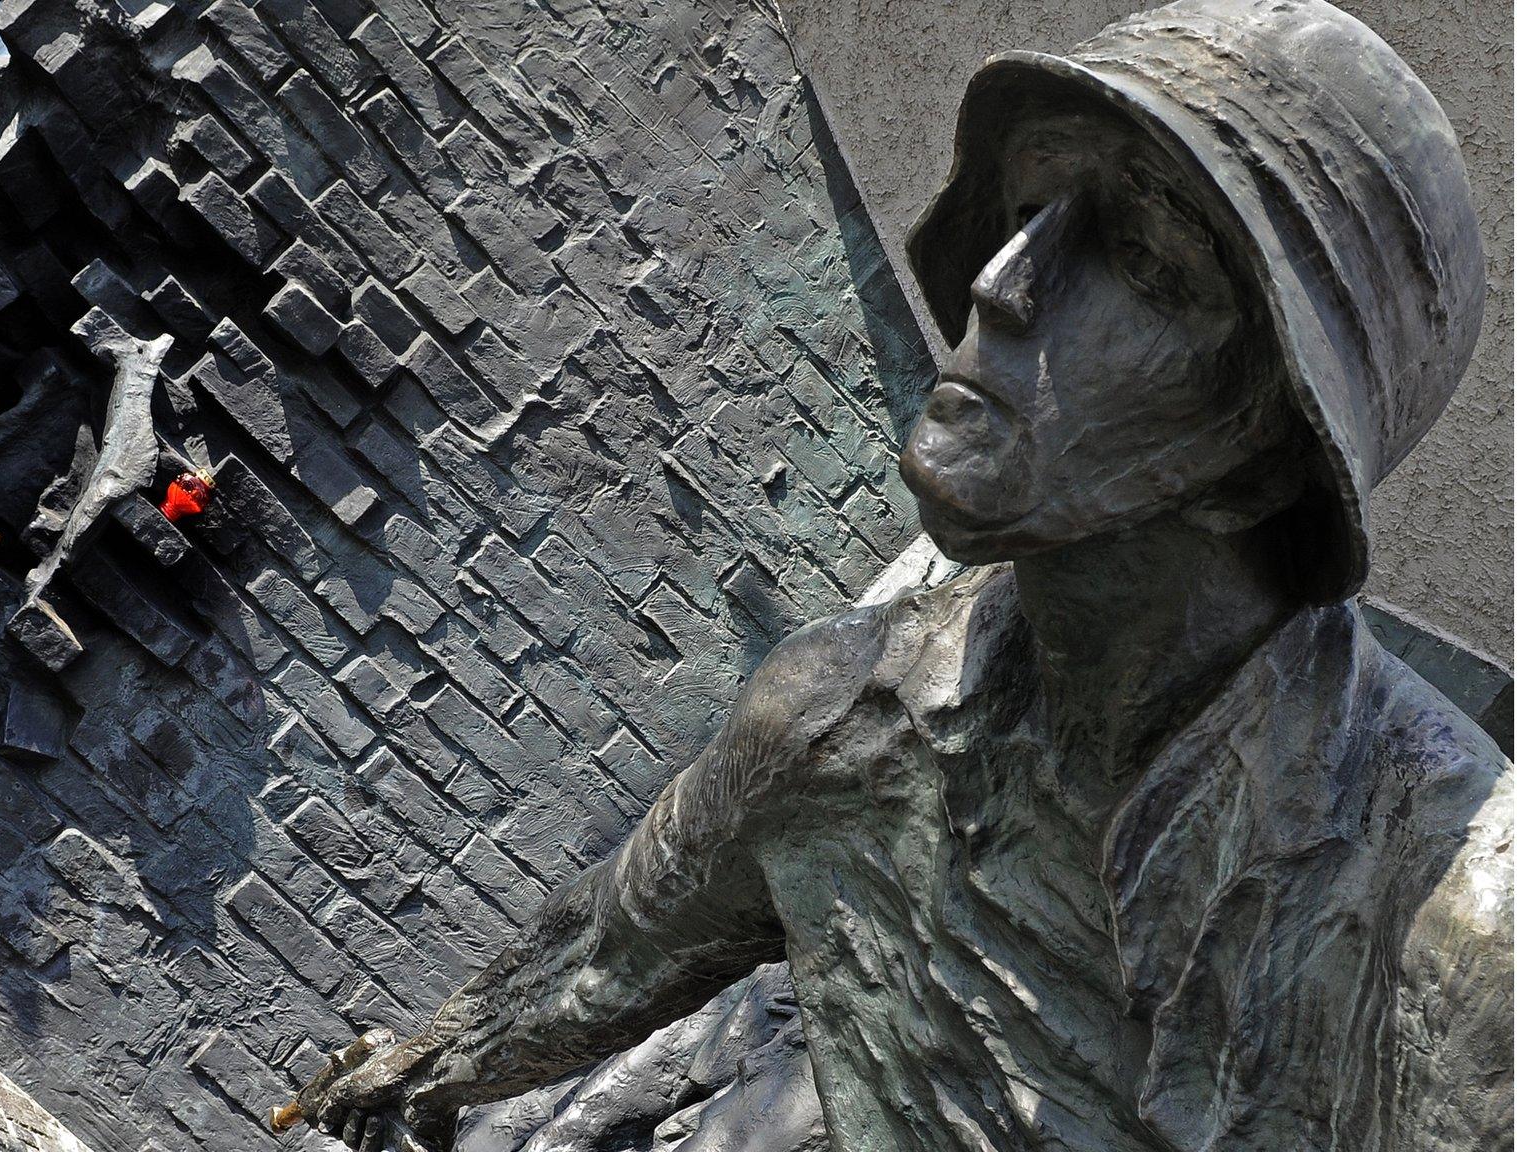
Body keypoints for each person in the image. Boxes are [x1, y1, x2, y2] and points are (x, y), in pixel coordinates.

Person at [289, 2, 1510, 1149]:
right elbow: (596, 964)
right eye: (1030, 205)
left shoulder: (1447, 932)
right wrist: (417, 1067)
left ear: (1262, 453)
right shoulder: (830, 722)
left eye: (1140, 260)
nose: (1002, 283)